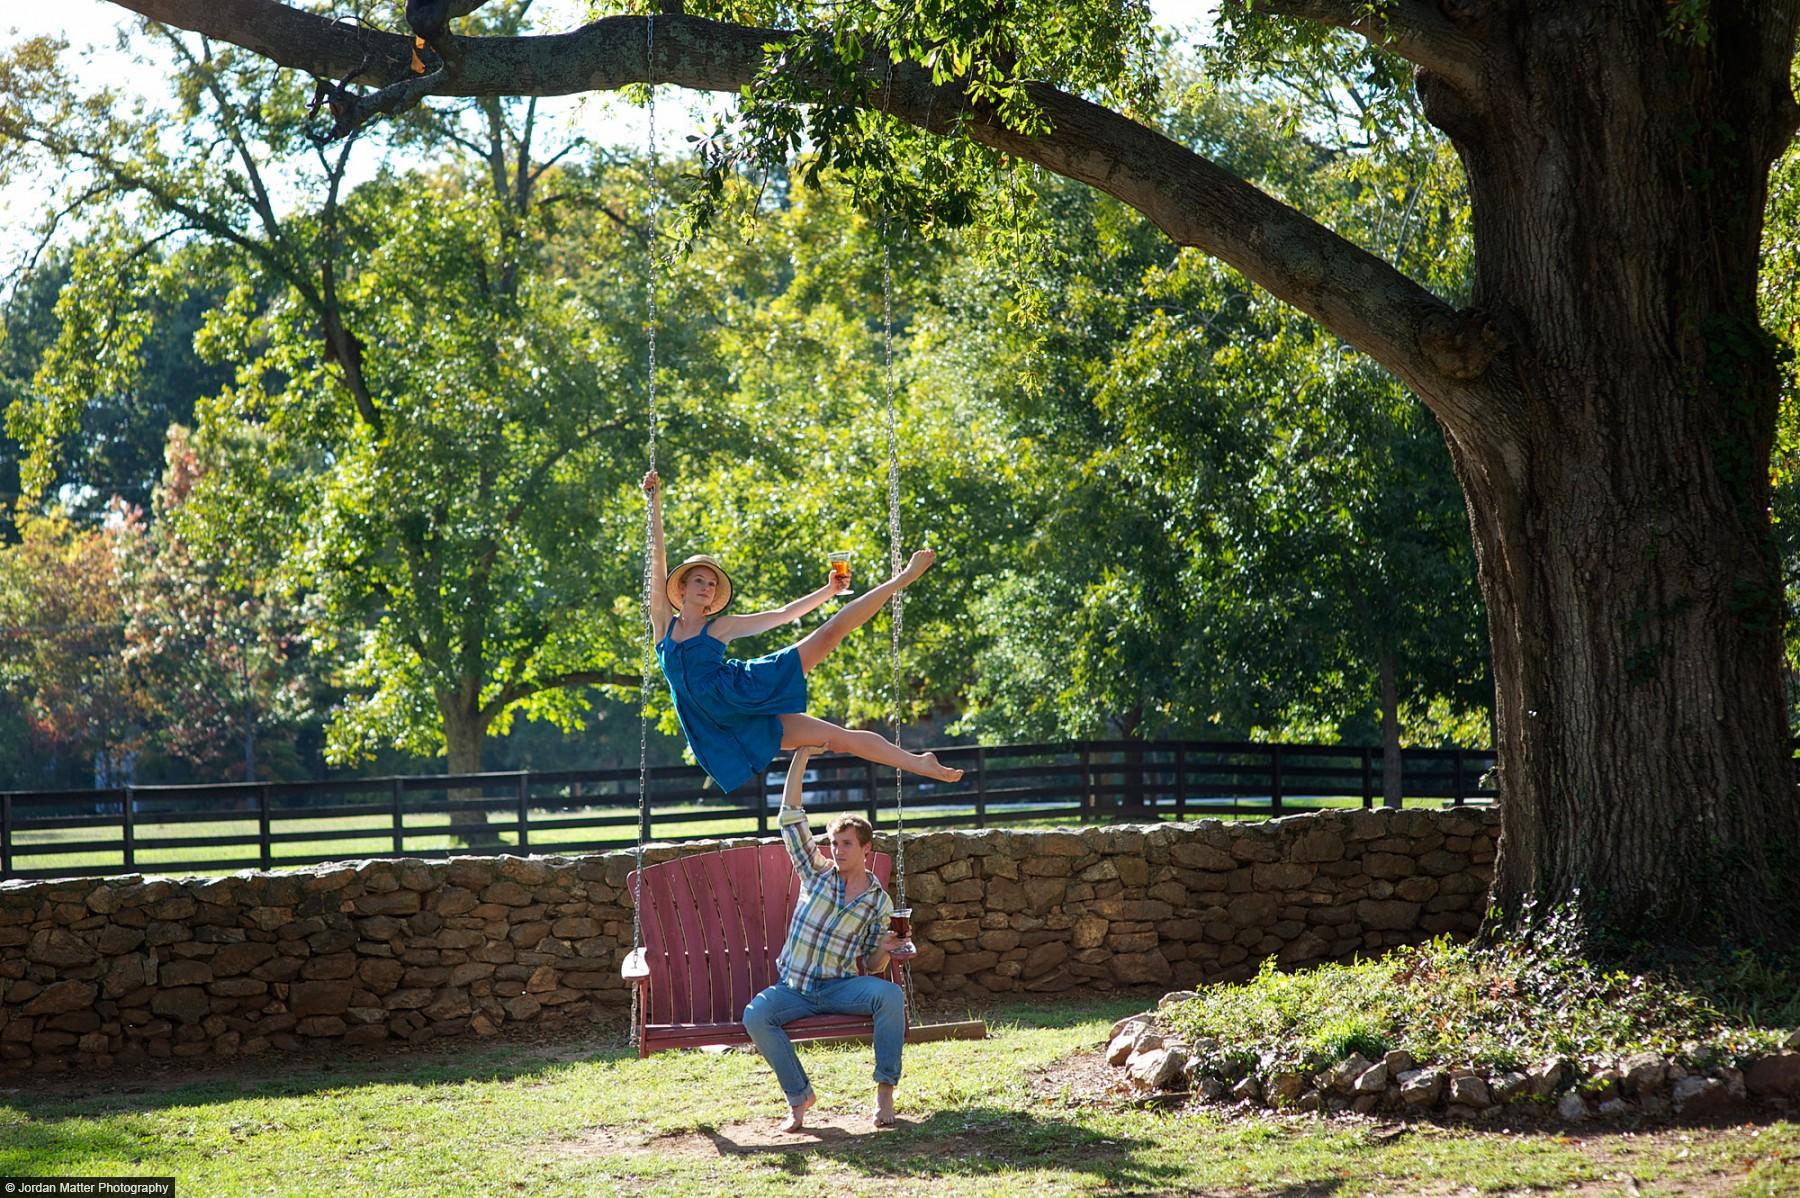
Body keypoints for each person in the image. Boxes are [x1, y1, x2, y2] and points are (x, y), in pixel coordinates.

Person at [641, 469, 964, 791]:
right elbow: (658, 559)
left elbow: (782, 614)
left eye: (712, 584)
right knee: (837, 740)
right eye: (699, 580)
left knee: (829, 633)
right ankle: (921, 764)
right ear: (681, 587)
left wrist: (828, 592)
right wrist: (653, 502)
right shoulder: (663, 626)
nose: (707, 588)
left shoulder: (720, 627)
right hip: (723, 724)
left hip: (744, 692)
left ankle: (901, 579)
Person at [743, 745, 910, 1131]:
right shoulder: (816, 874)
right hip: (795, 988)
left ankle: (885, 1092)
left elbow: (872, 965)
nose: (837, 850)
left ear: (866, 849)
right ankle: (799, 1098)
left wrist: (885, 949)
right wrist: (802, 755)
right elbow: (789, 819)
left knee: (890, 995)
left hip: (840, 988)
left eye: (846, 844)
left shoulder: (877, 902)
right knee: (756, 1015)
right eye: (834, 843)